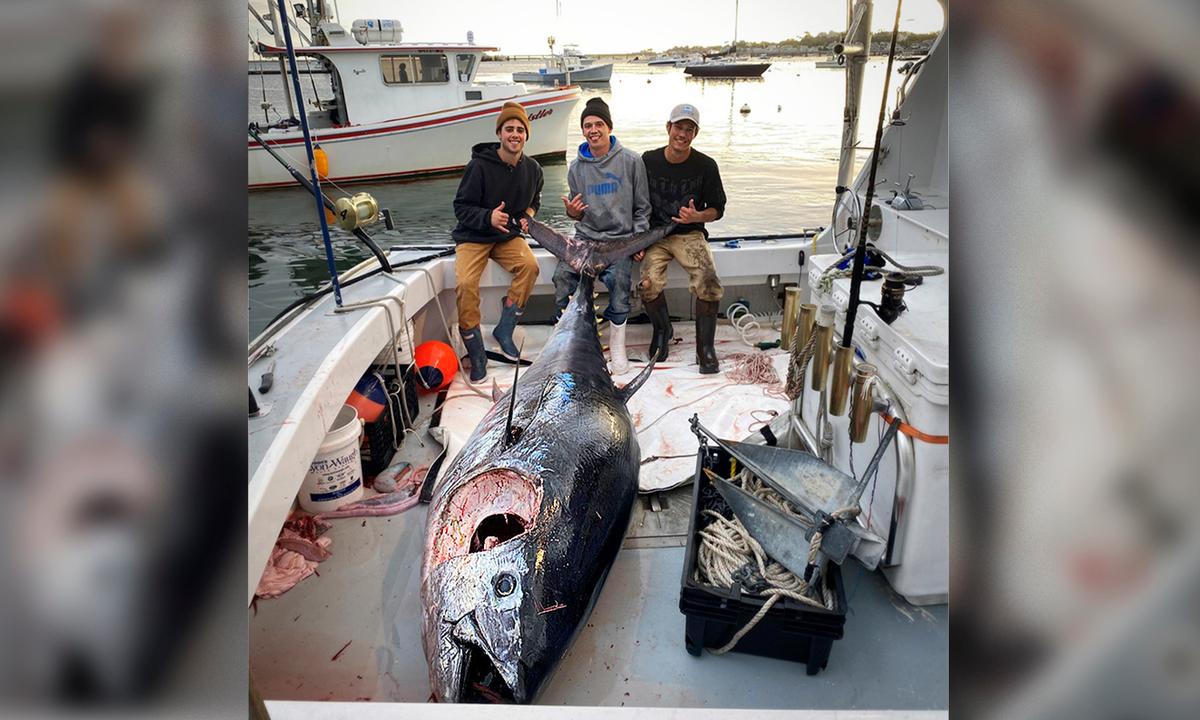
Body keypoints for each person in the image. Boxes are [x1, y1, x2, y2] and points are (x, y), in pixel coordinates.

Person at [554, 97, 651, 374]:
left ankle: (617, 345)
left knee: (620, 281)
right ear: (583, 131)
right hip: (584, 240)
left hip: (618, 241)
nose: (593, 129)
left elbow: (643, 208)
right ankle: (574, 342)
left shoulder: (632, 161)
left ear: (609, 127)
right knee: (562, 278)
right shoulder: (575, 168)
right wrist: (573, 214)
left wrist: (639, 239)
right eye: (587, 125)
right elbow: (578, 212)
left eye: (598, 124)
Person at [450, 101, 543, 383]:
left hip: (507, 236)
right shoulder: (478, 166)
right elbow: (461, 207)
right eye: (509, 129)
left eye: (520, 130)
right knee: (466, 284)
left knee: (530, 266)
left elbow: (535, 200)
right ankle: (477, 352)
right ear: (500, 134)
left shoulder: (534, 169)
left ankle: (505, 328)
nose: (515, 134)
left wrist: (527, 214)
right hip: (473, 235)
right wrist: (487, 217)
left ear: (526, 135)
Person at [638, 103, 727, 374]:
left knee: (709, 282)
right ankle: (663, 331)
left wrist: (696, 216)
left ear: (695, 134)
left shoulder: (706, 165)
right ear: (668, 128)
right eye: (679, 127)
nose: (683, 134)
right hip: (656, 234)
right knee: (647, 282)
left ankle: (705, 348)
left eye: (689, 129)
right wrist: (637, 239)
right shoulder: (647, 160)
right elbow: (635, 201)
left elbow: (718, 209)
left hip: (690, 234)